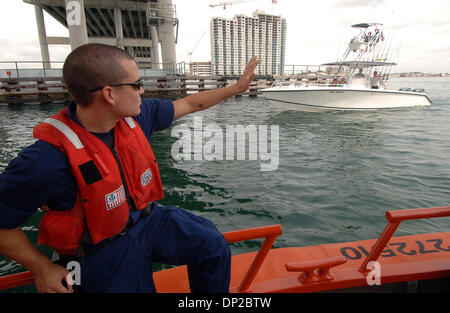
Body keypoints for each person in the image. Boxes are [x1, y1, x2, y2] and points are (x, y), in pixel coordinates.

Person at [0, 43, 260, 293]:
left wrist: (237, 88)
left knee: (211, 244)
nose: (143, 92)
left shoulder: (137, 116)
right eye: (136, 85)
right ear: (109, 94)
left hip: (145, 221)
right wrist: (41, 267)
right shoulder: (45, 160)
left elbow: (191, 104)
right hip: (100, 253)